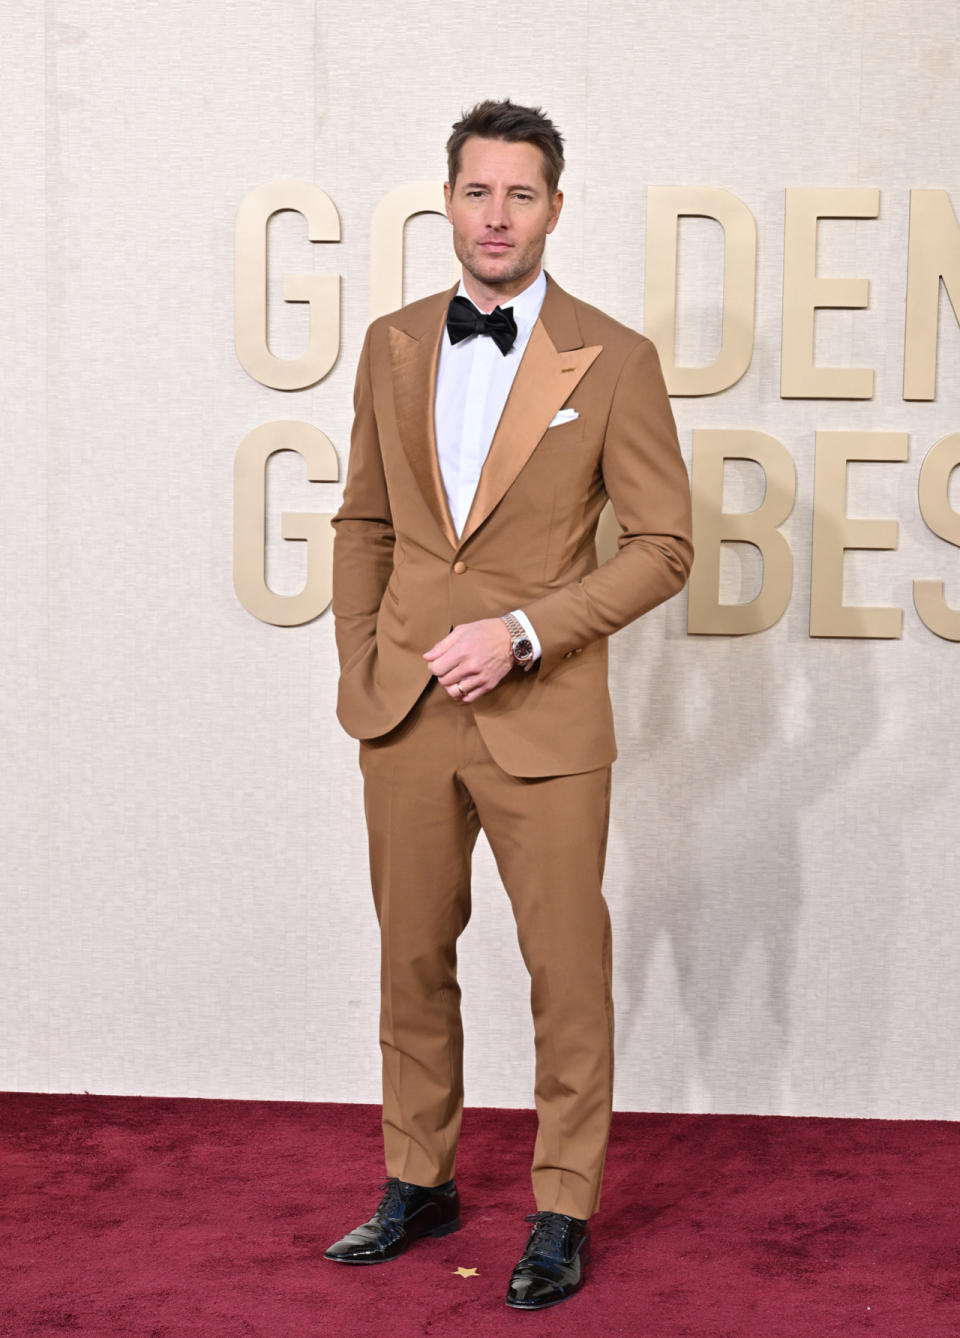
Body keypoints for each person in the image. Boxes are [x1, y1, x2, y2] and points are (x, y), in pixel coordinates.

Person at [325, 98, 693, 1311]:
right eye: (477, 192)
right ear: (447, 202)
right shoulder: (387, 344)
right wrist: (362, 663)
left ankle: (561, 1207)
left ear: (554, 208)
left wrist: (527, 632)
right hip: (405, 712)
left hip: (544, 717)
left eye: (520, 194)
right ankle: (418, 1181)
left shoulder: (616, 357)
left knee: (565, 968)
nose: (496, 216)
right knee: (411, 958)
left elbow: (664, 544)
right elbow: (365, 523)